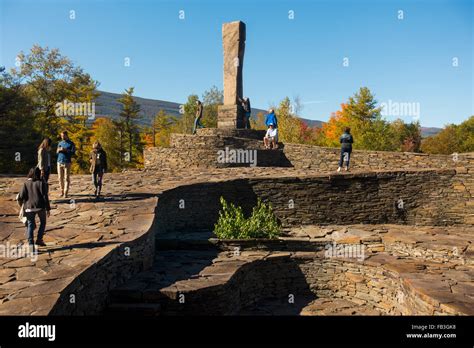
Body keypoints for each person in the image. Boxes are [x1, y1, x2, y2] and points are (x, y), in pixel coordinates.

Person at [17, 167, 51, 247]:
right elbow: (45, 196)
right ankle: (39, 239)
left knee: (30, 225)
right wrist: (48, 209)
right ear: (38, 174)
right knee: (43, 222)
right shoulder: (41, 182)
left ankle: (31, 244)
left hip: (29, 207)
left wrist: (22, 205)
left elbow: (21, 196)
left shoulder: (26, 183)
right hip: (40, 207)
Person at [56, 131, 76, 198]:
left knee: (66, 178)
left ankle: (65, 192)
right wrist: (58, 150)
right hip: (59, 162)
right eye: (61, 136)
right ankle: (61, 191)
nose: (62, 137)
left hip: (67, 162)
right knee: (60, 178)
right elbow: (57, 152)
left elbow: (73, 153)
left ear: (67, 135)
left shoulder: (71, 143)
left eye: (63, 136)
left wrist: (65, 150)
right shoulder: (60, 143)